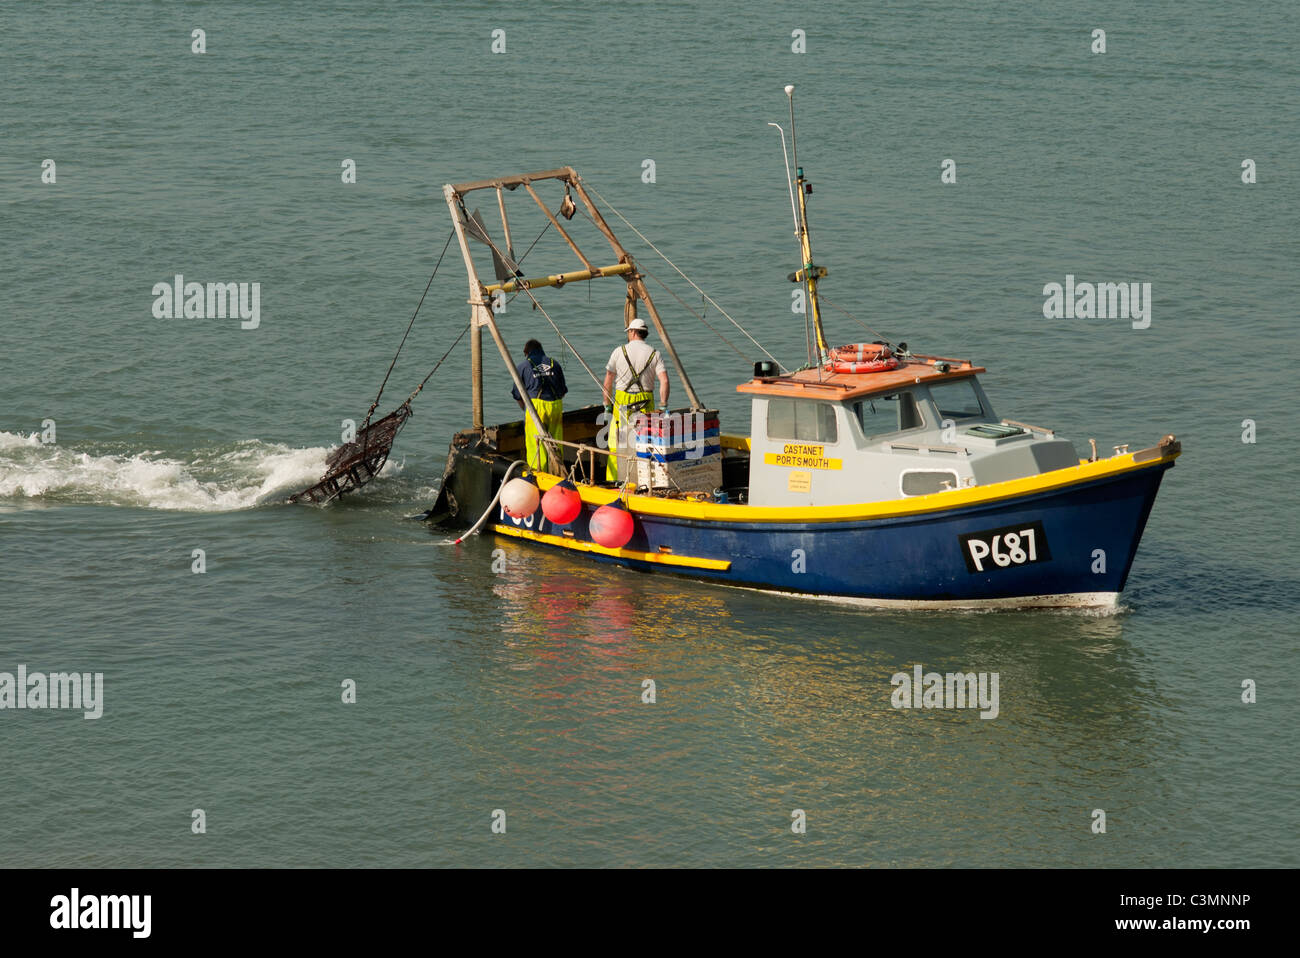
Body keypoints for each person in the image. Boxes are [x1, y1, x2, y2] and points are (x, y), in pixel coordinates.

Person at [602, 318, 669, 483]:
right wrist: (663, 405)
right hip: (646, 401)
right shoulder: (655, 353)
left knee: (617, 442)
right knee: (646, 442)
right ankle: (645, 481)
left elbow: (608, 380)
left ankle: (615, 481)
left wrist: (607, 405)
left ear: (632, 332)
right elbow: (665, 381)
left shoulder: (619, 351)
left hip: (622, 401)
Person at [511, 339, 568, 474]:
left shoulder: (524, 366)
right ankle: (558, 474)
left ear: (526, 352)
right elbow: (563, 391)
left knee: (535, 444)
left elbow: (517, 395)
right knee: (556, 443)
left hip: (536, 407)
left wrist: (527, 410)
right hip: (555, 406)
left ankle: (537, 473)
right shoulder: (555, 364)